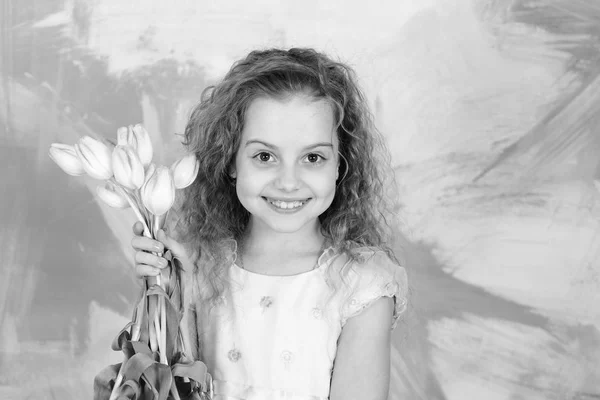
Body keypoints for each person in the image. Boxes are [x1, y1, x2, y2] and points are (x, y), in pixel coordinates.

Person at [131, 47, 408, 400]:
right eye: (265, 156)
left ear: (341, 165)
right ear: (230, 161)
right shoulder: (197, 266)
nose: (288, 182)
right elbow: (173, 382)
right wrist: (166, 286)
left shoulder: (362, 287)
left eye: (313, 157)